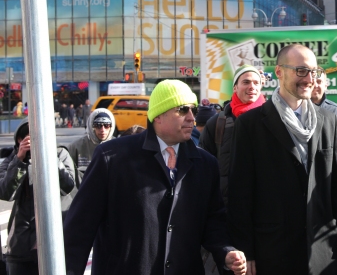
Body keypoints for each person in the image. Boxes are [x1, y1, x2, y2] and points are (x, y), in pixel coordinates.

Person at [63, 79, 247, 275]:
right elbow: (79, 228)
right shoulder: (112, 158)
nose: (192, 118)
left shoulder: (206, 164)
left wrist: (226, 253)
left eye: (193, 109)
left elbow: (213, 224)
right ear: (159, 115)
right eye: (183, 110)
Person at [228, 44, 337, 275]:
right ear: (279, 72)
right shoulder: (250, 124)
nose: (310, 79)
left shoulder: (328, 120)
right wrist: (247, 250)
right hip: (272, 253)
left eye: (314, 72)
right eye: (301, 71)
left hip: (324, 253)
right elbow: (240, 194)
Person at [0, 118, 76, 275]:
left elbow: (68, 185)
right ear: (20, 139)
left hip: (54, 242)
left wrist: (49, 155)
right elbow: (6, 193)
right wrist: (19, 160)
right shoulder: (13, 159)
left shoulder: (60, 154)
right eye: (29, 137)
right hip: (21, 245)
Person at [201, 65, 266, 205]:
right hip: (226, 207)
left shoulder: (272, 120)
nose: (252, 87)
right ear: (235, 88)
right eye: (246, 82)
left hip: (264, 207)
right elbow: (203, 167)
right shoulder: (217, 123)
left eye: (256, 83)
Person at [63, 109, 116, 187]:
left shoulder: (118, 146)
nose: (102, 130)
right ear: (91, 126)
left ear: (111, 127)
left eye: (107, 125)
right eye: (98, 125)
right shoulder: (76, 146)